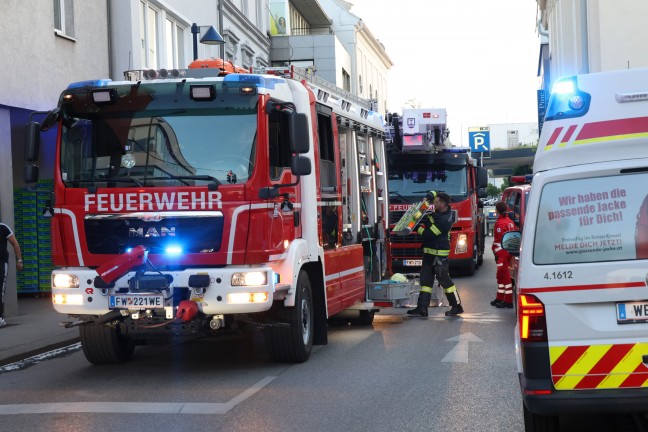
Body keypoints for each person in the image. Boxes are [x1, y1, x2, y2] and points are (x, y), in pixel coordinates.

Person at [407, 191, 464, 317]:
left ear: (443, 204)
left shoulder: (444, 220)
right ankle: (422, 308)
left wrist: (416, 227)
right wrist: (429, 197)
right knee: (425, 282)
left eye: (436, 202)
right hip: (429, 254)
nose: (434, 204)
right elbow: (434, 194)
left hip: (438, 256)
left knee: (445, 282)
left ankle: (457, 306)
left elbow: (429, 234)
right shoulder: (439, 213)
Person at [491, 201, 516, 308]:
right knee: (500, 276)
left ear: (497, 210)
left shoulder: (500, 223)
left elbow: (499, 240)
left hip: (502, 253)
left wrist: (496, 251)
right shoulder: (509, 221)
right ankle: (500, 297)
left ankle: (508, 301)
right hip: (507, 252)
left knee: (504, 276)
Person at [1, 220, 23, 327]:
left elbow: (15, 243)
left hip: (1, 264)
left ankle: (0, 318)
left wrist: (19, 260)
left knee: (1, 290)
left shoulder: (3, 228)